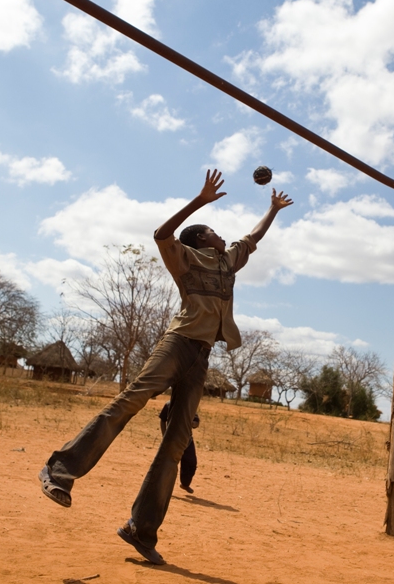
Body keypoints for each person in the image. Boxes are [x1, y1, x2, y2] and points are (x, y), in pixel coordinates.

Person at [38, 169, 293, 565]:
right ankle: (59, 471)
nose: (221, 236)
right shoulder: (185, 257)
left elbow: (253, 238)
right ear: (198, 239)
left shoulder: (228, 262)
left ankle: (140, 528)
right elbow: (161, 234)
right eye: (212, 231)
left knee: (177, 442)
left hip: (202, 354)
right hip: (178, 344)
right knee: (131, 401)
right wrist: (198, 201)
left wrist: (272, 209)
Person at [159, 399, 199, 494]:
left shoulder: (190, 404)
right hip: (172, 440)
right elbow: (162, 420)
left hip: (187, 440)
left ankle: (185, 484)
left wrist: (193, 423)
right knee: (169, 465)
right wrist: (165, 436)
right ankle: (163, 488)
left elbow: (196, 422)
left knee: (191, 463)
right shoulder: (169, 405)